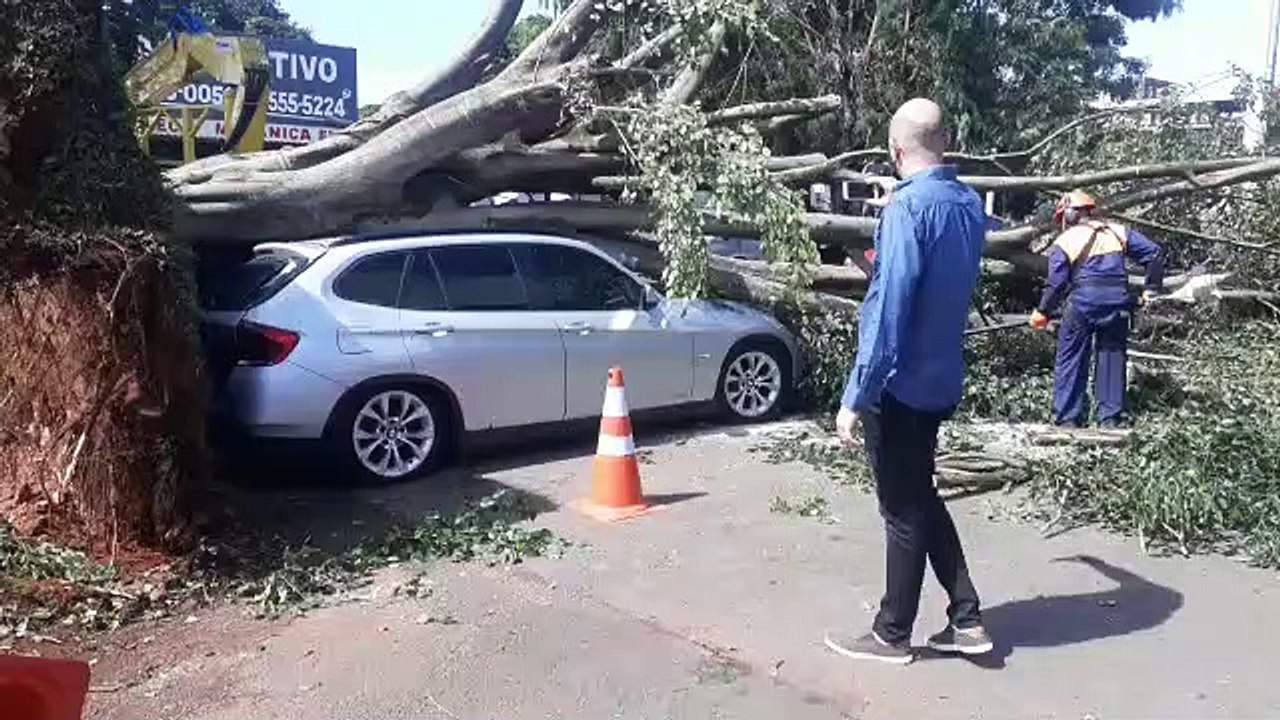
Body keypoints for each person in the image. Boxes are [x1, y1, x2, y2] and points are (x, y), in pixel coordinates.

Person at [826, 98, 993, 665]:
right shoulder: (969, 204)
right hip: (942, 374)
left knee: (902, 510)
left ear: (896, 150)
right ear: (943, 140)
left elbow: (891, 308)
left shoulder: (906, 210)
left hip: (899, 384)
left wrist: (857, 395)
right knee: (920, 494)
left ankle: (891, 633)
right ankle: (967, 617)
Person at [1028, 190, 1166, 428]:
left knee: (1071, 358)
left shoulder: (1065, 241)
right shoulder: (1117, 231)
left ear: (1070, 214)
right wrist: (1151, 289)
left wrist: (1043, 312)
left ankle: (1068, 419)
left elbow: (1057, 283)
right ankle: (1109, 419)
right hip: (1118, 302)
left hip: (1082, 303)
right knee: (1112, 357)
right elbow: (1154, 253)